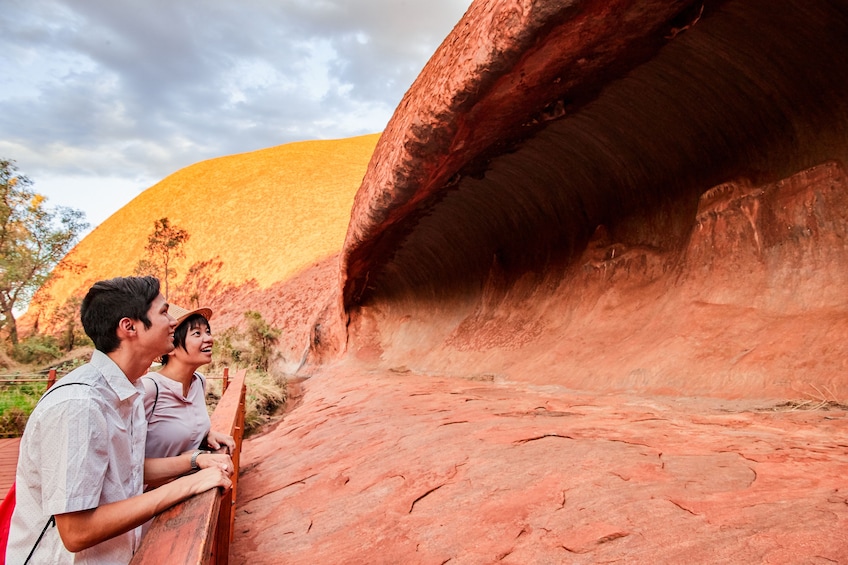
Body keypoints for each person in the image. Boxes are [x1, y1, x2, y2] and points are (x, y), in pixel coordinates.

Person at [6, 276, 234, 564]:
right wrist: (188, 485)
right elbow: (76, 531)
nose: (173, 322)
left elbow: (128, 473)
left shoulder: (130, 391)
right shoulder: (80, 405)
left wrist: (195, 461)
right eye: (163, 312)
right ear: (129, 327)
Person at [142, 304, 235, 465]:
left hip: (189, 484)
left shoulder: (198, 381)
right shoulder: (149, 389)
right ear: (170, 346)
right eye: (197, 333)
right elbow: (128, 469)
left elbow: (181, 431)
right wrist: (194, 460)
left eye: (207, 332)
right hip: (153, 490)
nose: (209, 339)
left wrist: (204, 435)